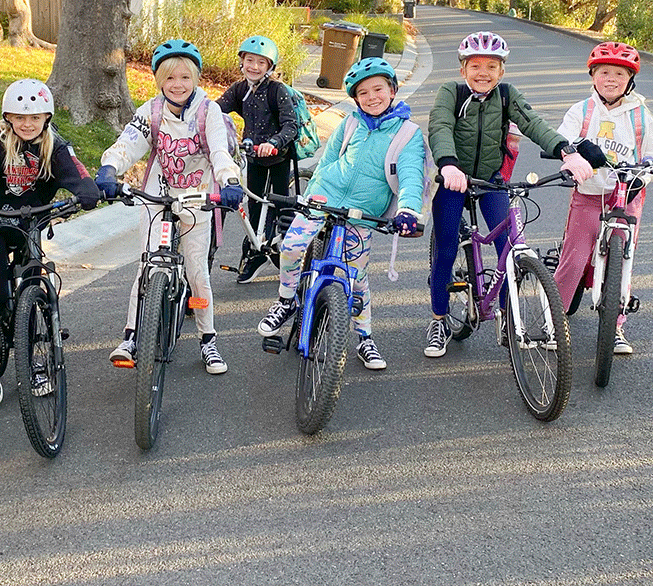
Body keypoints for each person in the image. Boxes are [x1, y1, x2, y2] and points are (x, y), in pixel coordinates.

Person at [424, 31, 601, 358]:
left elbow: (534, 123)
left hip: (491, 178)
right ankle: (438, 319)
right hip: (453, 178)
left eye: (492, 66)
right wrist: (448, 165)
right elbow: (440, 127)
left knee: (509, 247)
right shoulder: (451, 91)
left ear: (501, 72)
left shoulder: (506, 95)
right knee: (447, 249)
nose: (483, 73)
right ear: (463, 69)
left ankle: (507, 313)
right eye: (475, 65)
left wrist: (567, 152)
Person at [256, 58, 423, 370]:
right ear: (355, 98)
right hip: (325, 195)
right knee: (291, 246)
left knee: (356, 278)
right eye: (363, 93)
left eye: (378, 89)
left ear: (392, 90)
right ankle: (286, 300)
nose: (372, 97)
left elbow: (412, 175)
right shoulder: (349, 123)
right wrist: (306, 200)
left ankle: (365, 338)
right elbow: (327, 161)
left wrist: (408, 210)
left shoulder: (407, 133)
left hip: (363, 213)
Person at [0, 79, 101, 407]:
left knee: (32, 291)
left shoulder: (55, 145)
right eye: (19, 117)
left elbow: (78, 175)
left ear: (46, 117)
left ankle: (31, 359)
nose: (27, 124)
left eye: (34, 118)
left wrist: (86, 193)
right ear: (8, 118)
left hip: (29, 226)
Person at [95, 39, 243, 375]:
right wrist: (109, 169)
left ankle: (208, 339)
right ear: (160, 80)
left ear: (196, 79)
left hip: (198, 198)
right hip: (158, 197)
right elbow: (128, 144)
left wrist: (230, 181)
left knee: (196, 270)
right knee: (147, 265)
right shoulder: (152, 111)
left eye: (185, 78)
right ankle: (131, 336)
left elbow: (220, 152)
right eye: (170, 78)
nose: (177, 85)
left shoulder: (209, 112)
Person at [555, 42, 653, 354]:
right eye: (604, 72)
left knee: (624, 257)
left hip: (627, 196)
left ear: (630, 79)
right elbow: (564, 140)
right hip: (589, 194)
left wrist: (649, 169)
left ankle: (616, 326)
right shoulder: (582, 110)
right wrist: (572, 157)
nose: (611, 79)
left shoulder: (642, 114)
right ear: (593, 76)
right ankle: (554, 319)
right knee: (574, 257)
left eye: (619, 73)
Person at [216, 35, 298, 284]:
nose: (254, 66)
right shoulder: (240, 89)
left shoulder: (277, 90)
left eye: (260, 62)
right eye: (249, 60)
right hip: (253, 157)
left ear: (269, 67)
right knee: (253, 206)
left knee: (282, 205)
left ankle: (287, 251)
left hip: (279, 157)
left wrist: (273, 143)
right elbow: (214, 110)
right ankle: (256, 252)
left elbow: (290, 126)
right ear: (242, 62)